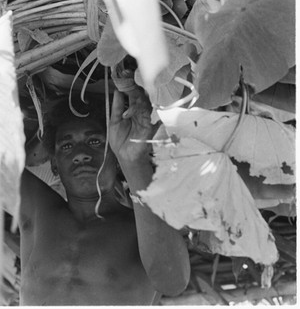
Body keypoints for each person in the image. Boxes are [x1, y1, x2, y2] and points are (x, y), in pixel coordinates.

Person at [19, 88, 190, 305]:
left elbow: (173, 282)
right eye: (67, 145)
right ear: (54, 164)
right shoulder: (39, 213)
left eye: (95, 142)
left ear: (115, 154)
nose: (80, 153)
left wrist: (133, 162)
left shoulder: (144, 227)